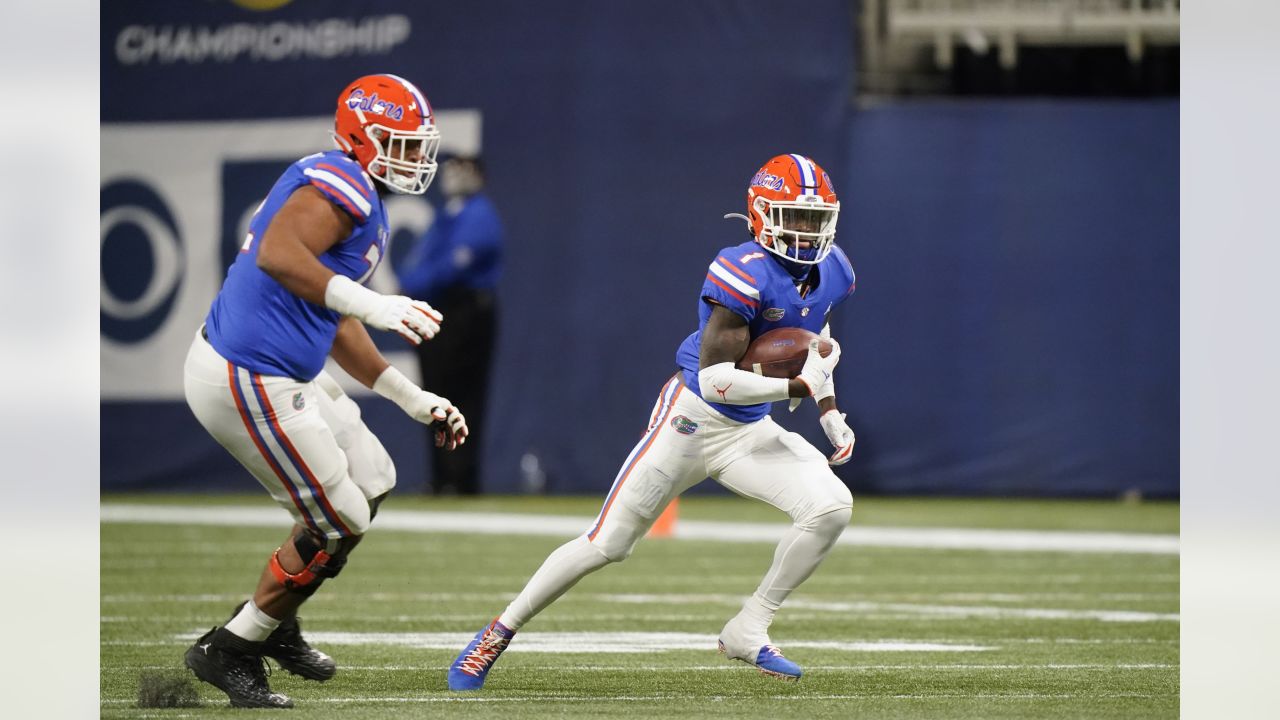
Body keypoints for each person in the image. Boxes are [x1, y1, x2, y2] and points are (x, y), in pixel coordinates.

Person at [447, 154, 857, 690]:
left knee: (831, 507)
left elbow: (810, 350)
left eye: (814, 219)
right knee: (607, 543)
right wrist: (797, 388)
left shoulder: (834, 272)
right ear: (760, 214)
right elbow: (715, 380)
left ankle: (748, 628)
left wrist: (827, 412)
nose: (805, 232)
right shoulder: (742, 270)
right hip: (691, 418)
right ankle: (496, 634)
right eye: (793, 217)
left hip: (749, 429)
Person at [181, 74, 469, 709]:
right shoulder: (340, 180)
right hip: (247, 373)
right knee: (340, 518)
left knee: (373, 479)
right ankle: (230, 646)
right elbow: (280, 255)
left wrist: (409, 397)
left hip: (285, 371)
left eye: (420, 144)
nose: (417, 157)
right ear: (361, 137)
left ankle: (274, 619)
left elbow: (331, 317)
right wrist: (374, 303)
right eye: (401, 142)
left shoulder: (359, 191)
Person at [395, 155, 504, 494]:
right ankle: (441, 477)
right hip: (438, 312)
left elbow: (452, 267)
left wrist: (416, 282)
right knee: (434, 395)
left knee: (464, 396)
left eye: (464, 169)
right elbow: (418, 262)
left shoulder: (481, 214)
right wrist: (411, 282)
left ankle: (462, 478)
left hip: (467, 313)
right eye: (452, 167)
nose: (454, 175)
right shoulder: (444, 216)